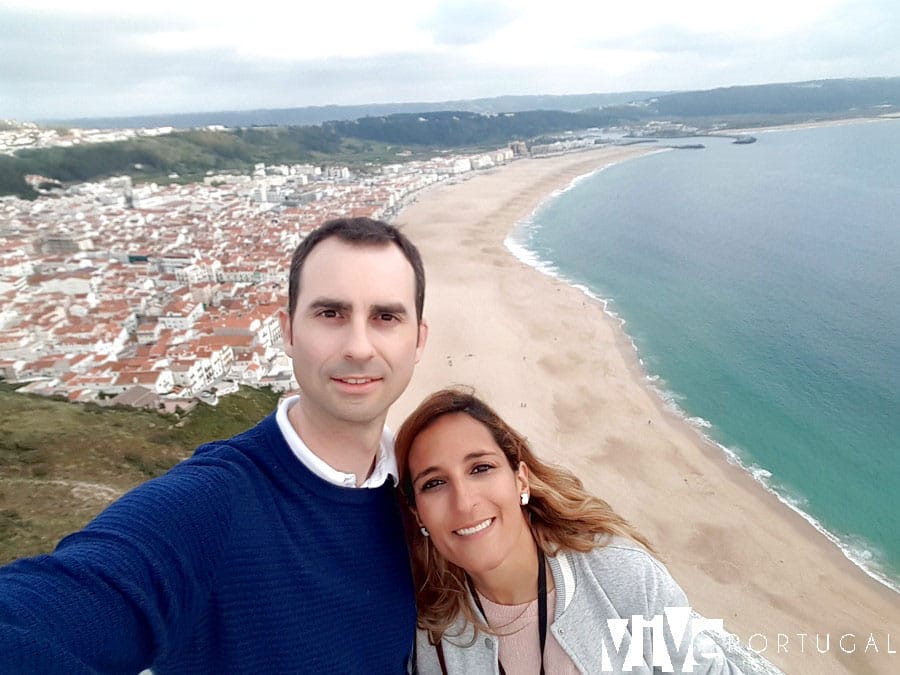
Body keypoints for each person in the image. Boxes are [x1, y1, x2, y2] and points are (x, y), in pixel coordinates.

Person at [0, 217, 428, 673]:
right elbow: (38, 617)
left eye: (385, 317)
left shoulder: (420, 496)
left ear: (418, 340)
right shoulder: (210, 505)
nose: (359, 347)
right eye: (330, 314)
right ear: (287, 331)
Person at [395, 388, 744, 674]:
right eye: (435, 483)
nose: (464, 501)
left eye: (481, 468)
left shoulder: (620, 580)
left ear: (520, 479)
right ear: (418, 514)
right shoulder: (427, 630)